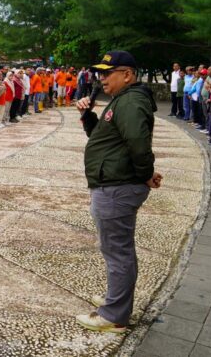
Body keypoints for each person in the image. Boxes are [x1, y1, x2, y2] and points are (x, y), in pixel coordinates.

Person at [75, 51, 162, 333]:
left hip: (116, 187)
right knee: (118, 250)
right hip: (115, 182)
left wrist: (145, 174)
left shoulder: (131, 101)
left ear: (127, 74)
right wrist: (87, 116)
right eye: (99, 74)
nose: (101, 79)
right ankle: (118, 298)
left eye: (106, 73)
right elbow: (107, 139)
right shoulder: (123, 100)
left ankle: (114, 314)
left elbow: (138, 143)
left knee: (117, 252)